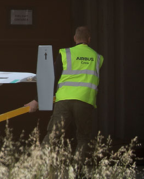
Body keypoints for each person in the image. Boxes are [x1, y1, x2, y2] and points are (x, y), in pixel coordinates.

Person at [25, 26, 103, 161]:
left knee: (53, 134)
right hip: (85, 101)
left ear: (75, 38)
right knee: (83, 137)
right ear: (89, 40)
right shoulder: (97, 57)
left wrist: (37, 100)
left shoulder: (65, 53)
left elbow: (52, 77)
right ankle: (78, 172)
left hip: (64, 100)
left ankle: (38, 167)